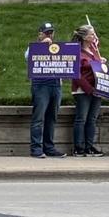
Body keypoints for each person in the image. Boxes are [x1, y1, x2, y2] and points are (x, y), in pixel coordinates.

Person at [24, 21, 66, 158]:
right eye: (46, 33)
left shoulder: (57, 47)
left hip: (55, 84)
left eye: (51, 33)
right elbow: (28, 57)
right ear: (40, 34)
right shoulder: (34, 47)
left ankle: (49, 147)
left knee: (52, 118)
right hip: (40, 85)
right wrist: (42, 46)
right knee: (38, 118)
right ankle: (36, 148)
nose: (49, 35)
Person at [70, 24, 107, 158]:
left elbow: (96, 67)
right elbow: (76, 74)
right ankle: (78, 148)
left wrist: (101, 62)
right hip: (82, 90)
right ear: (85, 37)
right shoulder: (77, 52)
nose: (94, 36)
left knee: (92, 119)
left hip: (96, 89)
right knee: (81, 118)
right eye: (92, 34)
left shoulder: (94, 50)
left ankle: (89, 146)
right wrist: (88, 89)